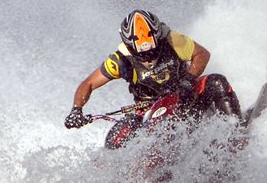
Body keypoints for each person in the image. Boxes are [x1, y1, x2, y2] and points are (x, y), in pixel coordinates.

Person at [64, 9, 242, 148]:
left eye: (152, 50)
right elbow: (88, 83)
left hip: (186, 96)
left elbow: (202, 54)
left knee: (216, 82)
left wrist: (188, 80)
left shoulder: (172, 39)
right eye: (142, 53)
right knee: (115, 138)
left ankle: (237, 138)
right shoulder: (120, 60)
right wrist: (76, 110)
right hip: (149, 113)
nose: (149, 56)